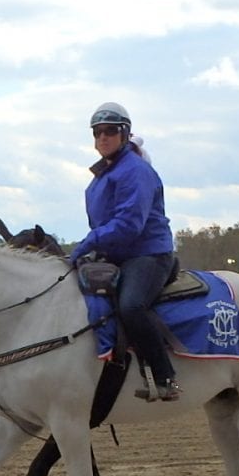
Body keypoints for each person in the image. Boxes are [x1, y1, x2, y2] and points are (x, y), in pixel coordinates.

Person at [70, 102, 181, 402]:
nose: (102, 137)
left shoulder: (135, 171)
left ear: (124, 134)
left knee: (131, 305)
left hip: (149, 255)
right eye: (97, 132)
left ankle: (165, 376)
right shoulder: (103, 174)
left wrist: (88, 244)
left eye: (109, 131)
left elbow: (129, 224)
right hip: (118, 254)